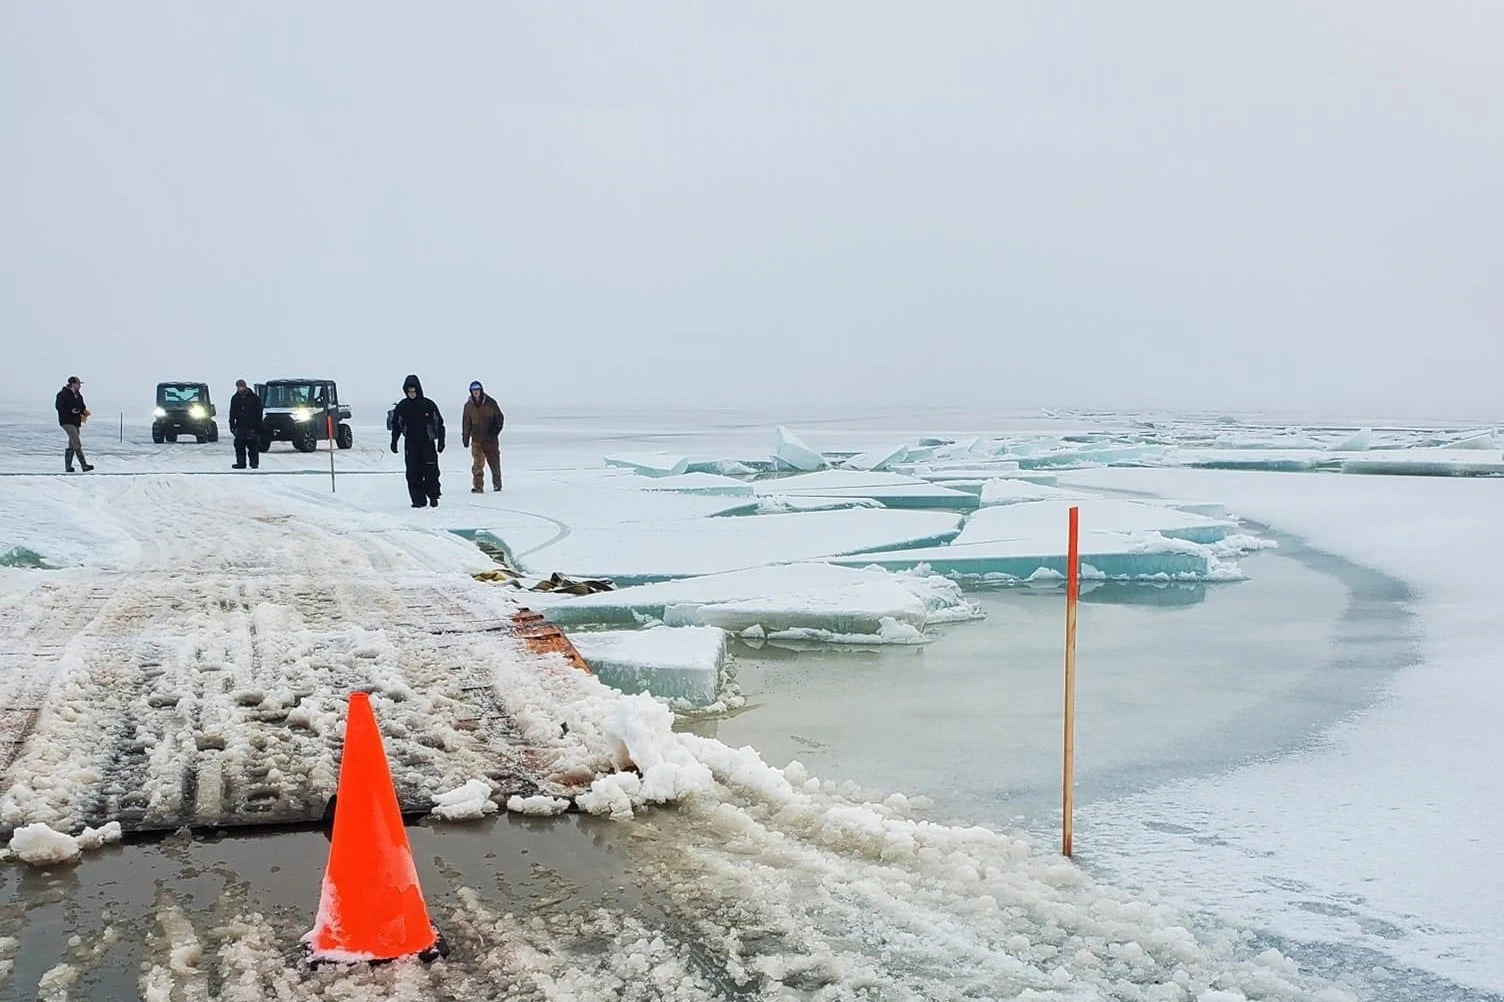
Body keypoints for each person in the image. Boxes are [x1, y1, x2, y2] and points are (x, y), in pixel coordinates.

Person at [389, 374, 445, 507]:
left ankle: (433, 496)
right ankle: (418, 500)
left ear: (418, 390)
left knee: (431, 472)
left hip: (427, 443)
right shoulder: (402, 407)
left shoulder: (428, 405)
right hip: (411, 445)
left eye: (414, 391)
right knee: (413, 473)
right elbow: (396, 425)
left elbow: (439, 423)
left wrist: (441, 441)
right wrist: (394, 441)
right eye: (409, 392)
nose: (412, 394)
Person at [460, 380, 505, 493]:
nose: (476, 392)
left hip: (490, 439)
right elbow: (466, 422)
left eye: (477, 390)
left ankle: (497, 485)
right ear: (471, 392)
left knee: (494, 463)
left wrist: (495, 430)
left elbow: (500, 418)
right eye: (474, 390)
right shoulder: (468, 406)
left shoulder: (491, 403)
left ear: (481, 390)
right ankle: (478, 486)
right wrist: (465, 437)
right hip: (476, 439)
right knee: (477, 464)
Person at [55, 376, 93, 472]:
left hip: (76, 421)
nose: (80, 386)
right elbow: (59, 407)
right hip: (66, 421)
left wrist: (84, 411)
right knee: (76, 441)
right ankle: (84, 465)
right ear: (73, 383)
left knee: (72, 443)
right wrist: (70, 411)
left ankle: (68, 467)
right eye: (79, 383)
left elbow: (82, 405)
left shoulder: (78, 395)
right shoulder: (62, 394)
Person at [228, 379, 263, 470]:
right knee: (239, 446)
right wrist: (232, 425)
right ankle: (241, 463)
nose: (240, 388)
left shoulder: (254, 398)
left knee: (253, 446)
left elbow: (259, 413)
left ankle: (254, 463)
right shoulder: (235, 398)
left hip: (252, 426)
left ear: (245, 386)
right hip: (240, 426)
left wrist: (258, 428)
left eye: (241, 386)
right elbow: (232, 413)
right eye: (238, 387)